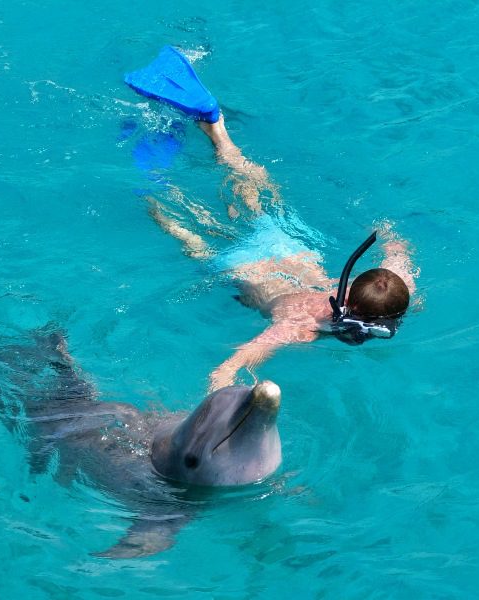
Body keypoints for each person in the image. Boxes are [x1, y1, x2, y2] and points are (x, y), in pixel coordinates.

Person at [125, 47, 419, 391]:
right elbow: (235, 362)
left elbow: (395, 244)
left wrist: (380, 229)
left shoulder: (400, 280)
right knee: (190, 236)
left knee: (257, 192)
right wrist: (224, 382)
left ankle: (218, 130)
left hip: (288, 246)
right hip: (243, 269)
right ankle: (152, 193)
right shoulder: (305, 324)